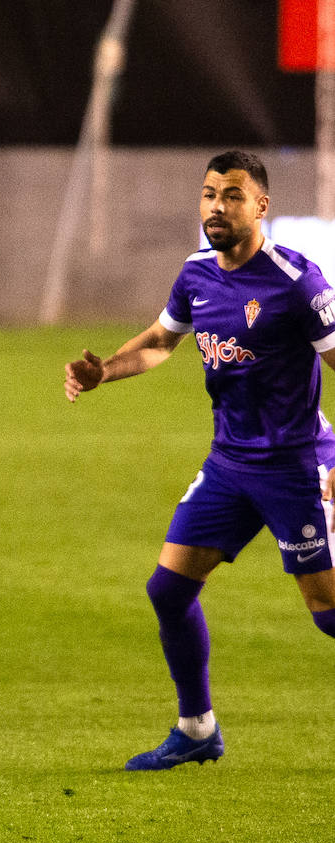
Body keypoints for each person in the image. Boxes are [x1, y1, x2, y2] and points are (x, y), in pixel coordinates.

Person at [64, 150, 335, 770]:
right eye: (210, 194)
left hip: (298, 468)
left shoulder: (298, 283)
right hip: (230, 466)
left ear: (261, 206)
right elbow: (163, 340)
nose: (217, 206)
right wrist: (104, 369)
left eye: (233, 195)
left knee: (328, 615)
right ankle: (196, 728)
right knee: (169, 589)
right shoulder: (196, 275)